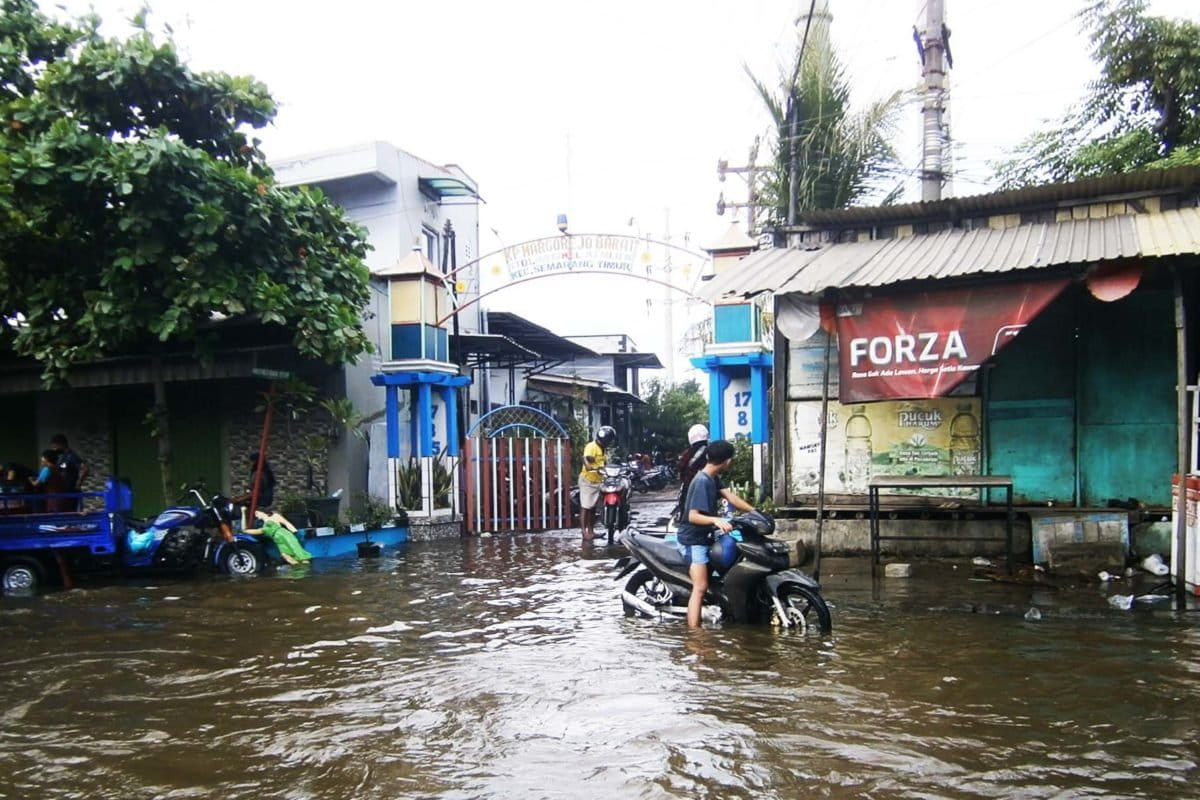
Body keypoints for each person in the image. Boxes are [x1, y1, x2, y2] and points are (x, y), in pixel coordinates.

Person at [674, 439, 755, 628]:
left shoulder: (712, 476)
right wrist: (716, 520)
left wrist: (755, 512)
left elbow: (730, 497)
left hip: (707, 535)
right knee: (700, 587)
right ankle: (695, 637)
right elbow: (693, 516)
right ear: (726, 461)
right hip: (693, 540)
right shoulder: (702, 481)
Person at [578, 425, 616, 541]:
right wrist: (588, 466)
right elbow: (585, 458)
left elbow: (604, 464)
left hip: (598, 481)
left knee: (593, 508)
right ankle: (584, 532)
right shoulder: (592, 446)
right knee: (586, 506)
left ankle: (591, 531)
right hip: (588, 480)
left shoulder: (603, 449)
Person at [672, 423, 709, 521]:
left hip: (689, 487)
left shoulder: (687, 453)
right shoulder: (710, 451)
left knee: (687, 512)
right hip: (707, 487)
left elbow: (679, 467)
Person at [50, 434, 88, 510]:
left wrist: (79, 483)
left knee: (70, 514)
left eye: (55, 446)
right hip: (62, 491)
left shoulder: (72, 456)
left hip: (71, 491)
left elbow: (85, 468)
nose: (55, 449)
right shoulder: (62, 456)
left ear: (61, 444)